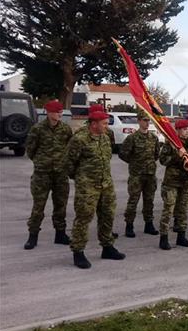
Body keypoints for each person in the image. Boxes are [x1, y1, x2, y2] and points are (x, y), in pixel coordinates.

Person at [64, 109, 125, 269]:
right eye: (104, 123)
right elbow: (69, 164)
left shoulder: (105, 138)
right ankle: (78, 251)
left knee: (108, 215)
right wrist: (81, 179)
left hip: (106, 184)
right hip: (88, 186)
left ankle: (107, 247)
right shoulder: (79, 139)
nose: (107, 126)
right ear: (93, 124)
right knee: (84, 218)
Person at [23, 100, 73, 250]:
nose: (59, 114)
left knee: (60, 205)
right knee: (38, 206)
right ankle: (32, 236)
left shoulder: (65, 129)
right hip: (42, 174)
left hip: (60, 173)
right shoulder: (37, 129)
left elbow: (69, 148)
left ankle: (60, 234)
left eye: (60, 112)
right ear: (49, 112)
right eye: (56, 112)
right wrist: (41, 162)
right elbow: (30, 150)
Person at [119, 112, 162, 238]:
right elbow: (123, 154)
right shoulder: (132, 138)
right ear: (138, 121)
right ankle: (129, 225)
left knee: (149, 201)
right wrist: (134, 163)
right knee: (133, 201)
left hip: (150, 175)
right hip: (136, 175)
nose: (147, 123)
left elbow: (156, 154)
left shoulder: (153, 138)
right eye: (144, 120)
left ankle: (148, 224)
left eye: (148, 120)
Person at [158, 119, 188, 249]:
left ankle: (181, 236)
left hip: (186, 181)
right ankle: (163, 237)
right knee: (168, 209)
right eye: (185, 129)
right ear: (178, 130)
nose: (187, 132)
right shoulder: (171, 143)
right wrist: (177, 157)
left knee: (183, 210)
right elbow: (163, 160)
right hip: (172, 182)